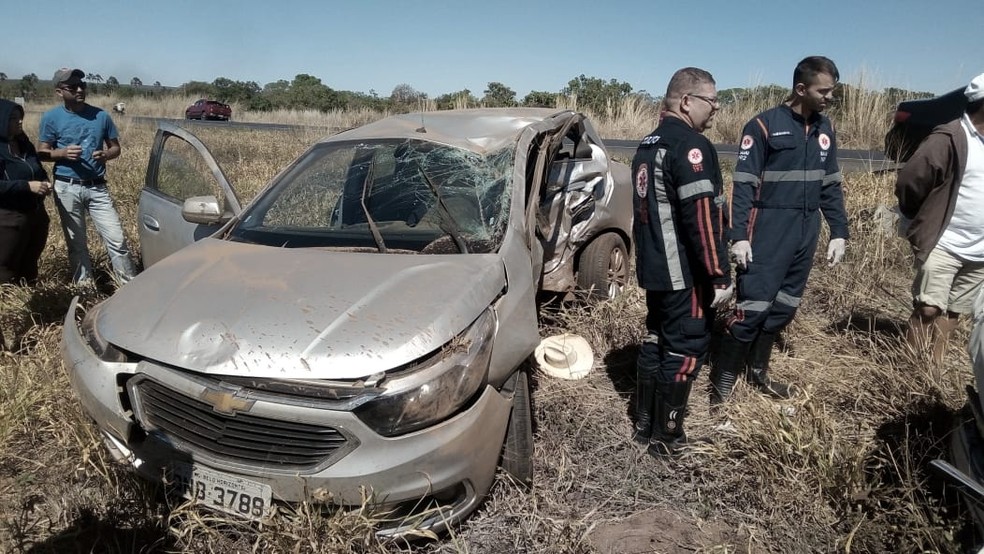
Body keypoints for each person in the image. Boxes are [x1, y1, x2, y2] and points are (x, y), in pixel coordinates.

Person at [712, 56, 849, 403]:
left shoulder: (825, 128)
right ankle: (723, 383)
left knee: (785, 306)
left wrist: (839, 231)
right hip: (768, 226)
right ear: (801, 89)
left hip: (806, 227)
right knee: (753, 308)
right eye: (824, 91)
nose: (829, 97)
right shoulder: (762, 126)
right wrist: (739, 235)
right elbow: (742, 184)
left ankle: (758, 372)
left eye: (832, 91)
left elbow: (830, 183)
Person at [631, 67, 733, 457]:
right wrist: (719, 275)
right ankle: (667, 436)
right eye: (712, 101)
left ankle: (643, 425)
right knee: (686, 346)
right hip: (684, 272)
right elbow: (702, 219)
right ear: (687, 101)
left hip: (654, 268)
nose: (716, 109)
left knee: (656, 339)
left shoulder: (646, 144)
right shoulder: (691, 146)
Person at [896, 72, 984, 365]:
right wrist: (917, 219)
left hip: (980, 250)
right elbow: (910, 180)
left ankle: (934, 369)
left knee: (955, 312)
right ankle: (910, 371)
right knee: (928, 309)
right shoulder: (949, 138)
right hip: (944, 242)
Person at [38, 68, 136, 285]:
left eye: (82, 85)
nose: (80, 89)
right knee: (77, 244)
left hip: (97, 187)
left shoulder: (101, 116)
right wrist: (61, 153)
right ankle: (85, 290)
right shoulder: (51, 118)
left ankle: (129, 287)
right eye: (72, 87)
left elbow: (115, 148)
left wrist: (105, 155)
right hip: (67, 187)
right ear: (59, 92)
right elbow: (42, 151)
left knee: (117, 240)